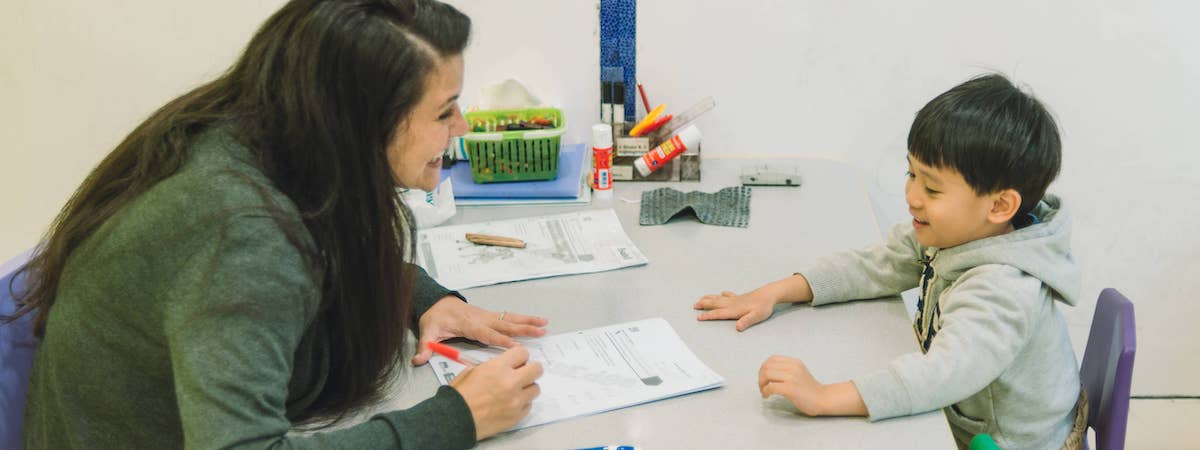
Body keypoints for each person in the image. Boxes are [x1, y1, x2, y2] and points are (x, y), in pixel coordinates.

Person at [3, 0, 547, 448]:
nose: (464, 125)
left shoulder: (274, 137)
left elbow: (321, 251)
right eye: (444, 110)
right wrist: (457, 418)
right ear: (363, 122)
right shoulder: (236, 231)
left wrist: (416, 293)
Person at [693, 74, 1087, 449]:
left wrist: (825, 396)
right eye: (911, 173)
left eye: (932, 187)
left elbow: (939, 377)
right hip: (969, 418)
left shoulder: (1003, 290)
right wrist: (776, 292)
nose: (912, 195)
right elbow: (877, 264)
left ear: (1000, 205)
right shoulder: (961, 232)